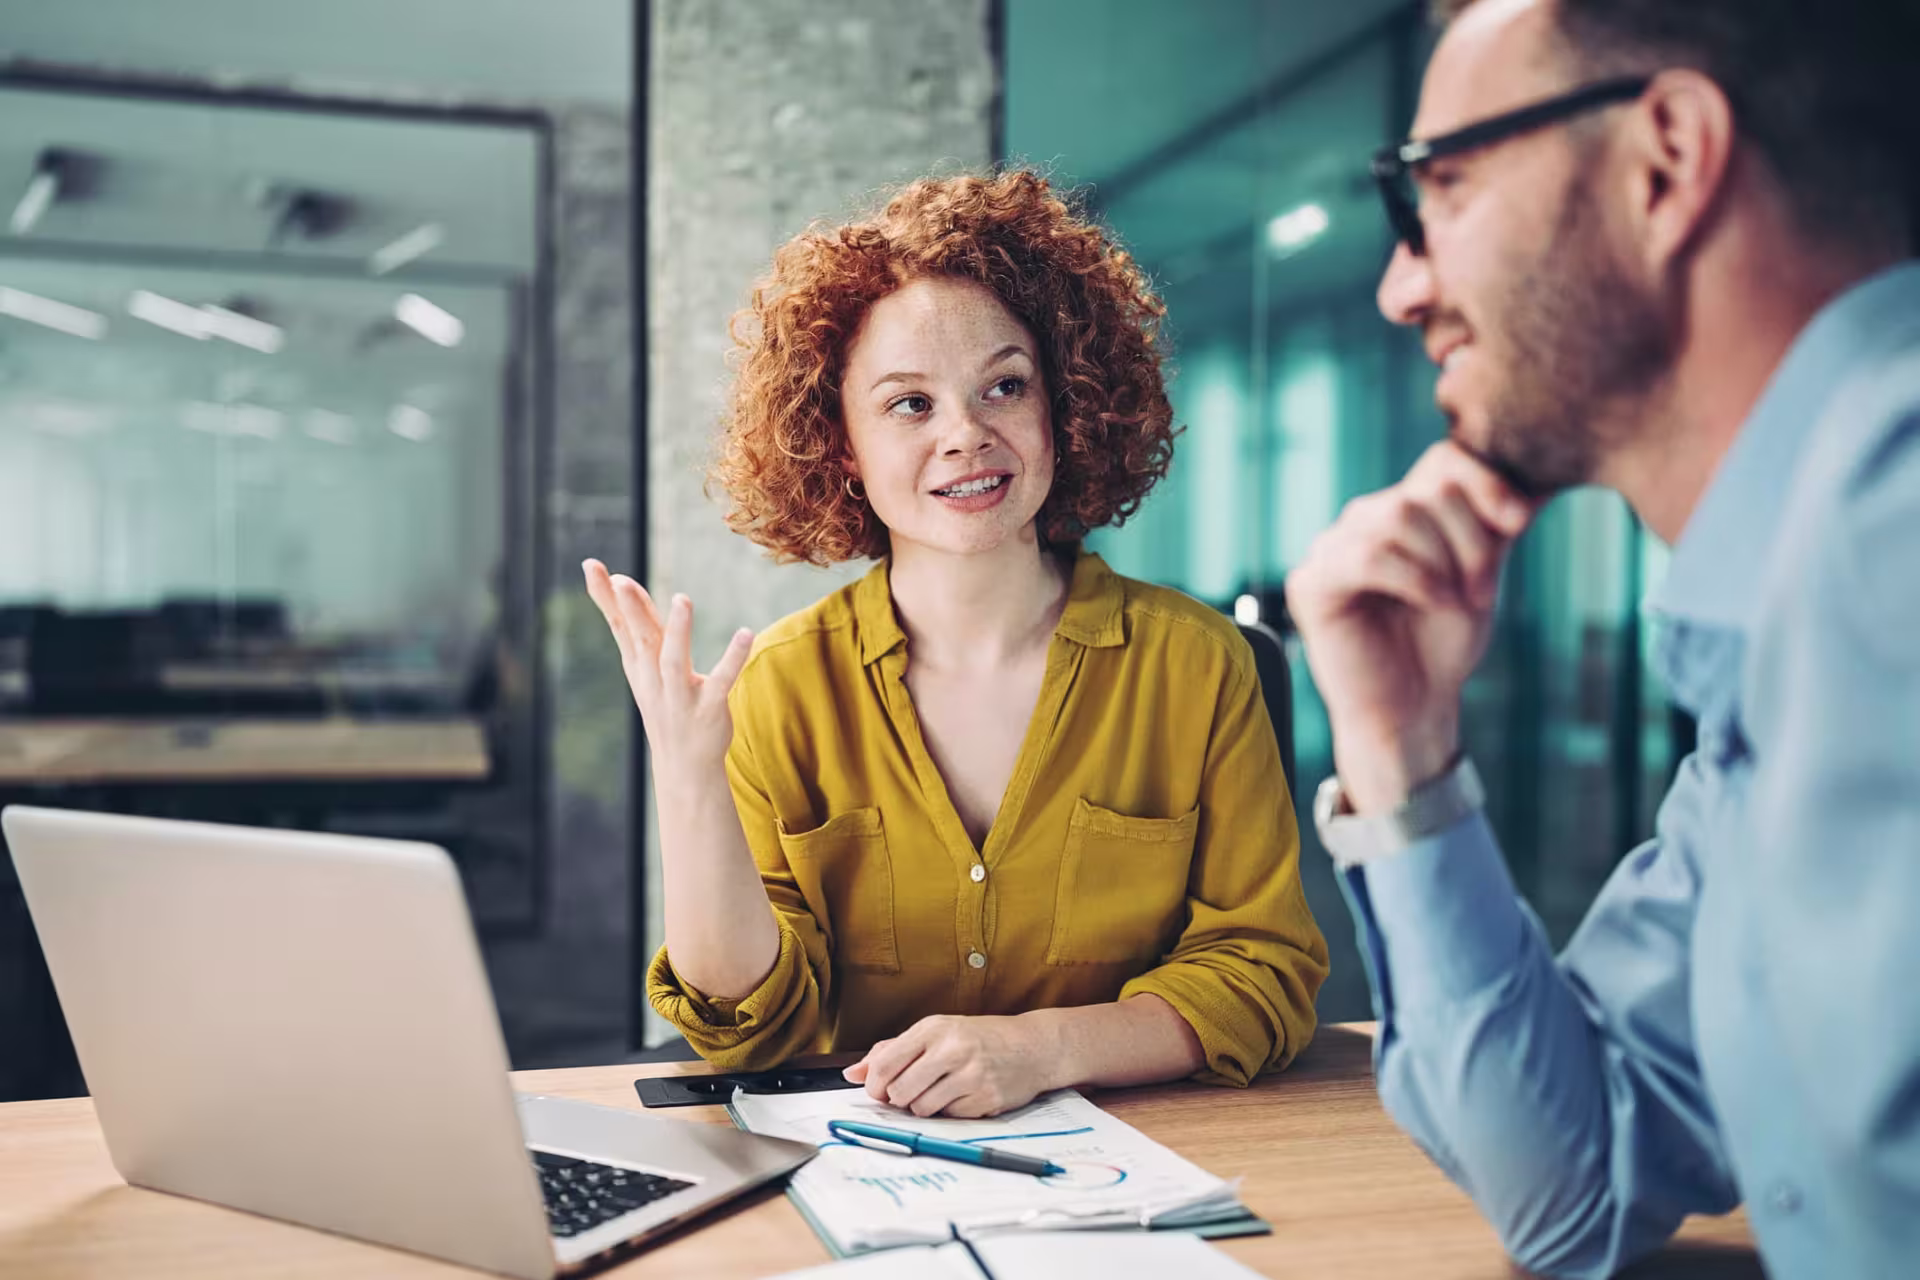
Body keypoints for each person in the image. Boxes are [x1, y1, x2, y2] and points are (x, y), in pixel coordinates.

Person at [1284, 0, 1920, 1275]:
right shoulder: (1779, 644)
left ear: (1665, 160)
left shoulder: (1888, 530)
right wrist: (1402, 754)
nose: (1400, 285)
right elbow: (1573, 1181)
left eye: (1441, 189)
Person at [586, 170, 1327, 1119]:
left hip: (1154, 1172)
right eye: (909, 404)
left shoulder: (1197, 664)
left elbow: (1264, 970)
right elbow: (748, 1027)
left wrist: (1041, 1048)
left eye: (1004, 387)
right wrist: (688, 775)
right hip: (867, 1176)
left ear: (1065, 406)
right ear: (839, 443)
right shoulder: (779, 687)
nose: (967, 436)